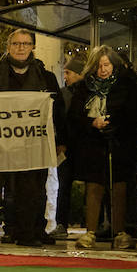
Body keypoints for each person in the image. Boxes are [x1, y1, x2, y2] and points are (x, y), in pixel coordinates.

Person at [0, 30, 65, 247]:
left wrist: (62, 140)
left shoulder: (46, 77)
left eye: (25, 43)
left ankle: (27, 233)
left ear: (32, 46)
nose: (21, 47)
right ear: (8, 46)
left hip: (33, 145)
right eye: (16, 43)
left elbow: (58, 112)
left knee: (31, 191)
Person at [67, 46, 137, 250]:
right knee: (94, 188)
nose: (103, 70)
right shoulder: (84, 88)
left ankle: (120, 232)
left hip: (119, 144)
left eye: (107, 65)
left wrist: (114, 125)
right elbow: (74, 117)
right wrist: (92, 123)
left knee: (119, 188)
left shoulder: (126, 85)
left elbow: (134, 114)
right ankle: (90, 232)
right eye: (99, 65)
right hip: (93, 146)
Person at [56, 55, 85, 237]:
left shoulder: (88, 93)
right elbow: (58, 121)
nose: (65, 76)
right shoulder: (63, 94)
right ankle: (61, 223)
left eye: (68, 72)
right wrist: (60, 142)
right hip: (67, 148)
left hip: (85, 147)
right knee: (64, 185)